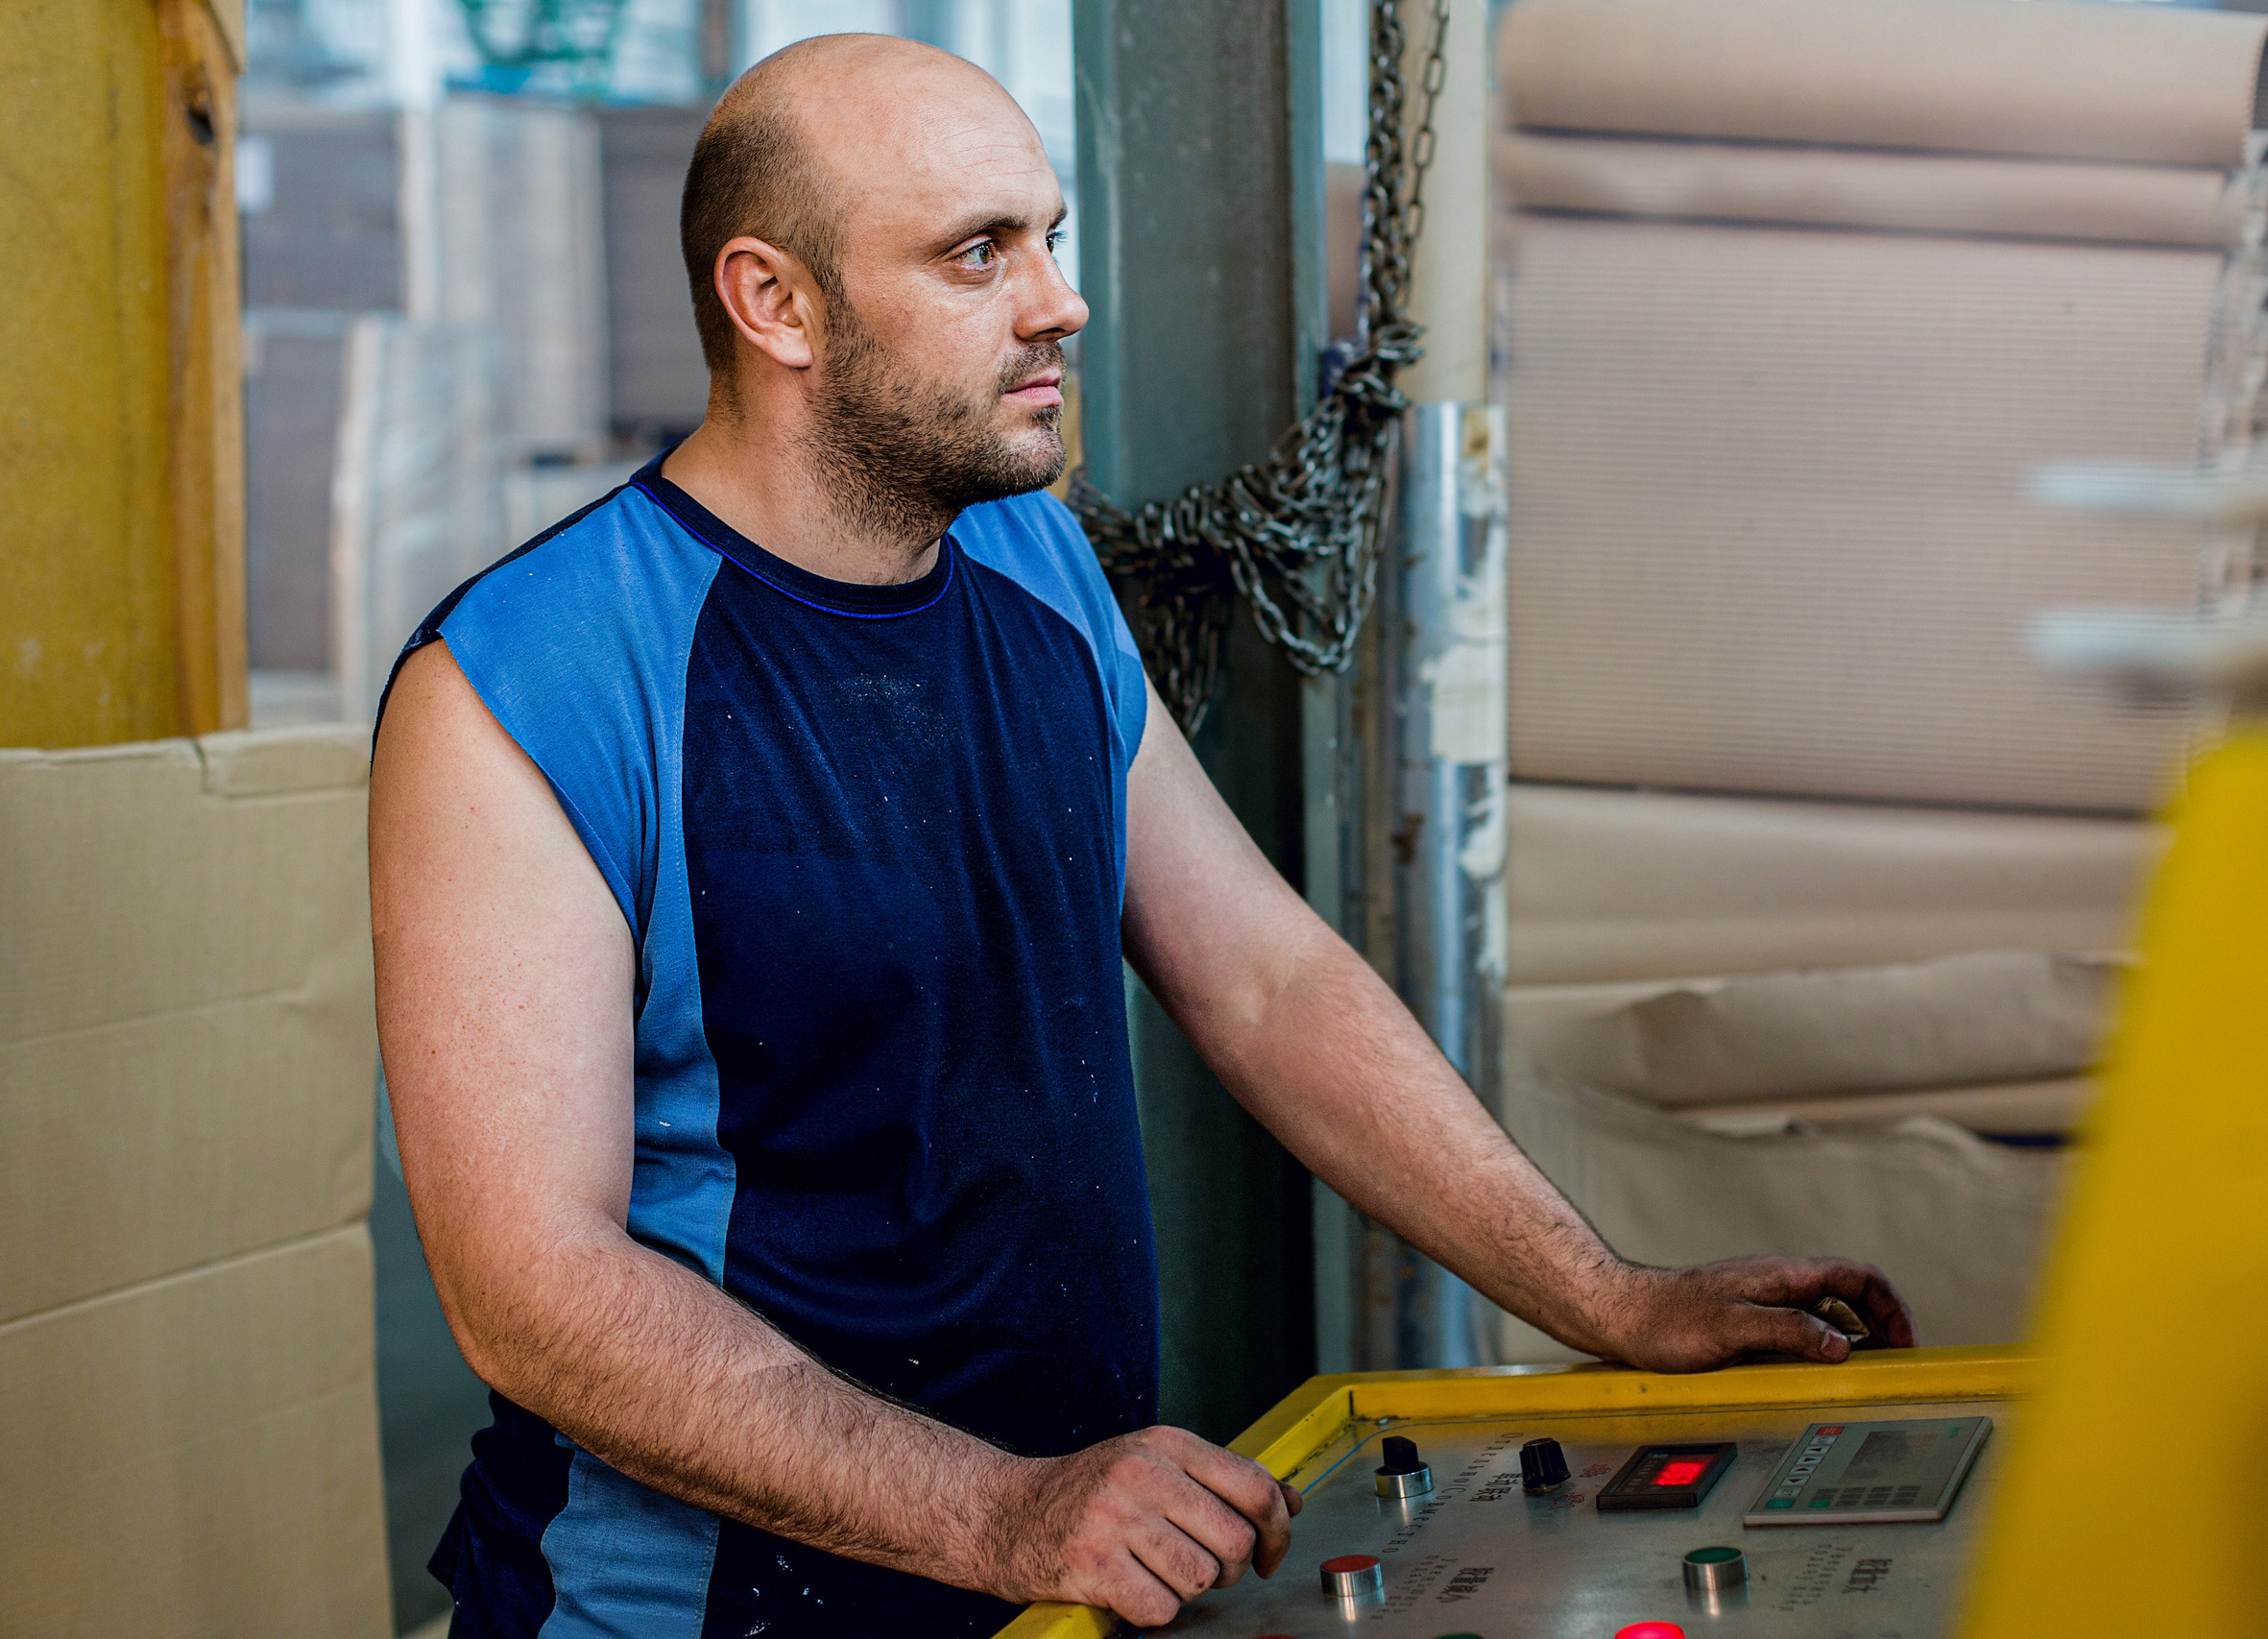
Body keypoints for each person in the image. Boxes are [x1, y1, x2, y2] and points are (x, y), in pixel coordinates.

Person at [370, 32, 1916, 1639]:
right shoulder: (526, 682)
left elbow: (1261, 979)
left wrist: (1605, 1296)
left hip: (1055, 1584)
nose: (1058, 300)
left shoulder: (1035, 569)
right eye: (979, 253)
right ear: (778, 306)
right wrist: (1000, 1507)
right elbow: (527, 1288)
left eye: (1051, 236)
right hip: (703, 1611)